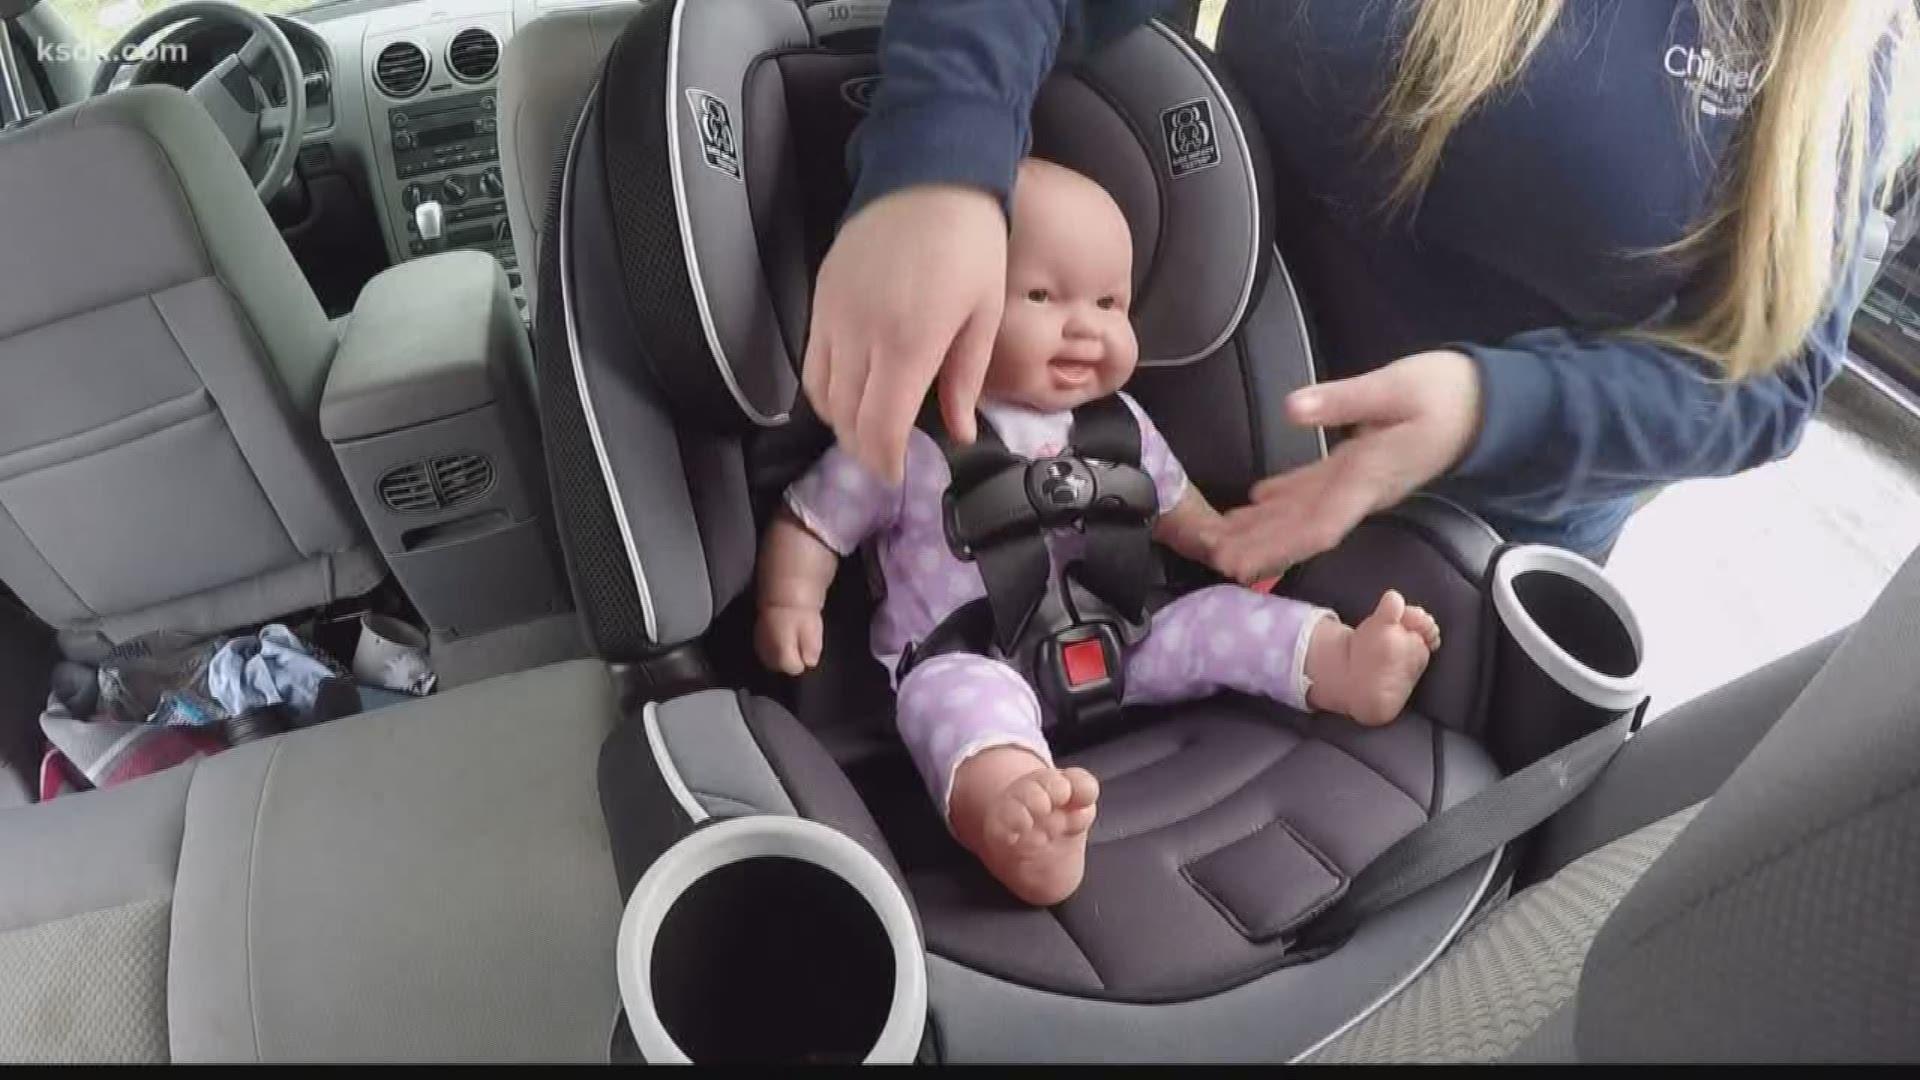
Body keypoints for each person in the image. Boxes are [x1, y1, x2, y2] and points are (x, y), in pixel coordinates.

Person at [803, 0, 1920, 573]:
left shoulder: (1844, 43)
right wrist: (938, 163)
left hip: (1455, 549)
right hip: (1138, 412)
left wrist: (1489, 408)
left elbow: (1766, 383)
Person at [758, 160, 1443, 906]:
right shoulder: (904, 435)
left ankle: (1340, 660)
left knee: (1224, 620)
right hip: (977, 655)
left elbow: (1174, 509)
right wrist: (790, 603)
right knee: (951, 708)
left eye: (1111, 302)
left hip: (1128, 636)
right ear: (954, 300)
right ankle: (1017, 813)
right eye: (1044, 295)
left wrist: (1221, 545)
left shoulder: (1124, 424)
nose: (1086, 327)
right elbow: (814, 521)